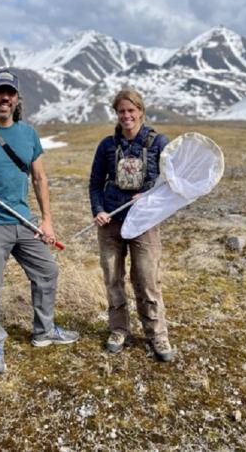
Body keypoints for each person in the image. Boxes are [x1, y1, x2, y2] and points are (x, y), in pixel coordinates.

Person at [0, 67, 79, 375]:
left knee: (47, 271)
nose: (4, 97)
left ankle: (43, 330)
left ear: (18, 98)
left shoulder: (28, 134)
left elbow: (39, 177)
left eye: (10, 92)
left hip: (24, 220)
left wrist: (46, 220)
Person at [89, 89, 173, 362]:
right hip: (111, 222)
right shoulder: (107, 145)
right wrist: (99, 210)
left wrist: (149, 196)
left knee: (147, 280)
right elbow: (95, 183)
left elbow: (171, 184)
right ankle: (118, 329)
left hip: (145, 223)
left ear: (141, 111)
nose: (126, 116)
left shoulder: (159, 142)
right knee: (113, 278)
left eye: (131, 110)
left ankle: (156, 334)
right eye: (121, 111)